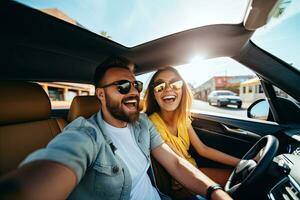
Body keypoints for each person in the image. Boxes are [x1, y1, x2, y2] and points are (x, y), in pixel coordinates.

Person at [0, 57, 232, 200]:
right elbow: (40, 178)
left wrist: (214, 191)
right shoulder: (85, 134)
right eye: (121, 86)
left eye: (135, 84)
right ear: (100, 94)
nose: (132, 91)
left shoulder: (143, 124)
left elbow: (175, 163)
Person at [143, 67, 240, 198]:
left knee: (242, 174)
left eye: (175, 83)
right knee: (242, 179)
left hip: (195, 171)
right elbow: (178, 163)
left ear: (183, 89)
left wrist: (241, 162)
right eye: (160, 86)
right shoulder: (152, 124)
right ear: (153, 94)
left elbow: (203, 149)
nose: (168, 89)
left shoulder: (183, 118)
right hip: (182, 181)